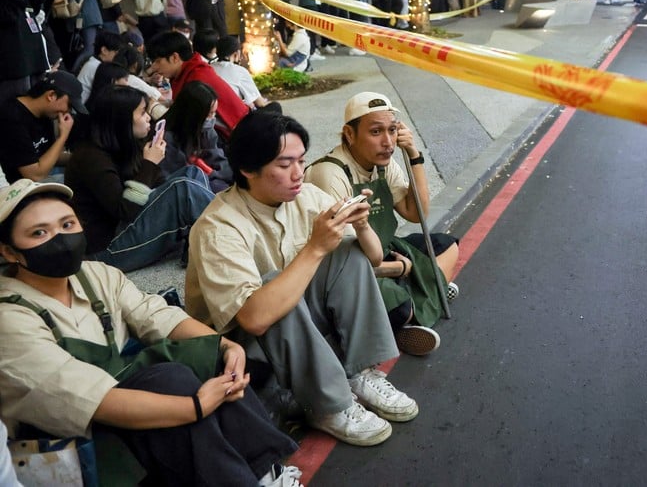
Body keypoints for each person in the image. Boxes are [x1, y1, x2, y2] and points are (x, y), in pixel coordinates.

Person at [0, 179, 303, 487]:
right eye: (39, 233)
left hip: (124, 405)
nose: (60, 239)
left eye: (67, 224)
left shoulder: (96, 275)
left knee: (209, 358)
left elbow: (155, 315)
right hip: (73, 439)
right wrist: (195, 407)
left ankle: (265, 473)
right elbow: (86, 400)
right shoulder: (8, 318)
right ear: (9, 252)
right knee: (170, 381)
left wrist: (225, 347)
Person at [185, 111, 419, 447]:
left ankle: (360, 372)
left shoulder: (306, 196)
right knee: (274, 286)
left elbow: (371, 260)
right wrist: (315, 248)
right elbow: (254, 318)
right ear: (248, 169)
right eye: (285, 164)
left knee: (346, 252)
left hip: (298, 325)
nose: (298, 174)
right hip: (242, 347)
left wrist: (361, 225)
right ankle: (328, 406)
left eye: (301, 161)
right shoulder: (218, 227)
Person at [305, 92, 461, 356]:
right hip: (349, 266)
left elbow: (416, 213)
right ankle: (422, 301)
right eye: (376, 132)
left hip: (384, 248)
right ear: (349, 134)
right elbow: (340, 262)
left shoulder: (383, 164)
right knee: (401, 308)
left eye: (392, 130)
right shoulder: (330, 174)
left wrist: (414, 156)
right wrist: (401, 268)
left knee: (448, 247)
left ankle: (415, 308)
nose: (388, 142)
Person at [63, 85, 215, 271]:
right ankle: (222, 241)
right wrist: (149, 164)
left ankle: (209, 241)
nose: (148, 117)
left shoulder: (124, 144)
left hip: (127, 228)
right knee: (183, 187)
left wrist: (151, 164)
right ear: (122, 119)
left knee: (192, 173)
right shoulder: (90, 157)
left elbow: (157, 189)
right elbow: (124, 210)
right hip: (107, 249)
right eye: (142, 113)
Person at [147, 30, 250, 140]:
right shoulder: (186, 72)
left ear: (175, 58)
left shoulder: (197, 78)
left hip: (232, 136)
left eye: (157, 61)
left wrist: (154, 108)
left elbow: (183, 122)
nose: (154, 68)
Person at [0, 71, 81, 183]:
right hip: (21, 186)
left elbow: (49, 156)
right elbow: (35, 175)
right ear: (51, 96)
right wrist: (63, 136)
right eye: (69, 105)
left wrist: (82, 158)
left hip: (43, 174)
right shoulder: (12, 118)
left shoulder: (45, 114)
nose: (68, 111)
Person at [161, 81, 233, 193]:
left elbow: (218, 160)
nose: (212, 118)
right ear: (193, 114)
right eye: (209, 114)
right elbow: (176, 180)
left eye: (214, 113)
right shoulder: (167, 139)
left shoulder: (206, 131)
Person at [212, 35, 273, 108]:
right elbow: (260, 103)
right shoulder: (239, 71)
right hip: (234, 112)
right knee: (275, 106)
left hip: (214, 111)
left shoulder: (209, 68)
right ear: (236, 54)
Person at [76, 30, 124, 103]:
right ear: (104, 50)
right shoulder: (97, 66)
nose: (118, 57)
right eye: (116, 53)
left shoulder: (93, 62)